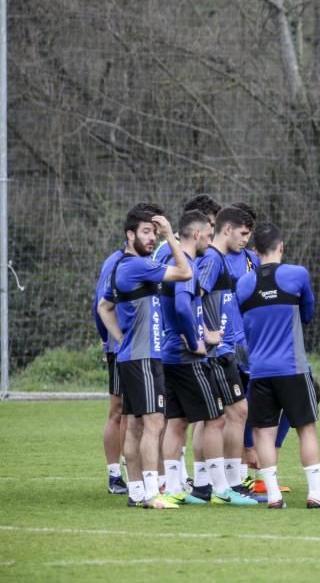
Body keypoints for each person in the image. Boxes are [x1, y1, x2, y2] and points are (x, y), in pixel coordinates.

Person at [236, 222, 320, 509]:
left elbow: (242, 325)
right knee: (306, 428)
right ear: (281, 246)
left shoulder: (243, 284)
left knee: (262, 433)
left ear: (255, 252)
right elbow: (308, 312)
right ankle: (315, 493)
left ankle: (272, 495)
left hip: (259, 371)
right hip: (293, 368)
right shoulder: (297, 274)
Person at [97, 204, 192, 509]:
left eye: (155, 232)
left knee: (136, 425)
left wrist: (120, 339)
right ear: (130, 234)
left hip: (133, 356)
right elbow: (185, 271)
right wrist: (171, 238)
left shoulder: (121, 266)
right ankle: (152, 493)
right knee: (153, 424)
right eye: (147, 232)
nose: (152, 238)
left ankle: (136, 491)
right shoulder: (136, 266)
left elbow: (103, 307)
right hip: (143, 359)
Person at [159, 211, 254, 506]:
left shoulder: (194, 261)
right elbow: (186, 303)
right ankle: (222, 487)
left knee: (184, 420)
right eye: (210, 229)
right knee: (217, 418)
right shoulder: (208, 261)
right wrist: (199, 337)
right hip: (204, 354)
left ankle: (191, 486)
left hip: (179, 352)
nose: (211, 236)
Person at [198, 205, 256, 498]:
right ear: (228, 229)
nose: (246, 240)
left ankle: (206, 484)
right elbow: (193, 295)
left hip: (227, 347)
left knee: (216, 417)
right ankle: (229, 485)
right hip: (217, 351)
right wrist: (203, 334)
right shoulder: (211, 259)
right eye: (243, 233)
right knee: (234, 413)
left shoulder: (219, 258)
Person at [94, 240, 127, 495]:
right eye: (146, 230)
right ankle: (114, 474)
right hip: (120, 348)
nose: (152, 237)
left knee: (140, 414)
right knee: (118, 410)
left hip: (147, 350)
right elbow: (101, 306)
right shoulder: (114, 263)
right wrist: (108, 341)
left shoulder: (150, 261)